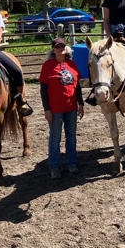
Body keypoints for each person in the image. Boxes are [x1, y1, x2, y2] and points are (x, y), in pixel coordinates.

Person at [39, 38, 85, 180]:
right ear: (53, 50)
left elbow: (77, 86)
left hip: (71, 107)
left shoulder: (72, 64)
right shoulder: (48, 65)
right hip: (55, 108)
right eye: (57, 47)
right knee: (55, 138)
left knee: (71, 137)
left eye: (62, 46)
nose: (60, 49)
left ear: (66, 48)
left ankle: (72, 163)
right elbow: (43, 90)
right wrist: (47, 109)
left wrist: (81, 103)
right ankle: (54, 166)